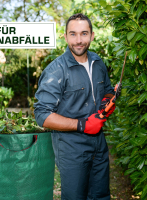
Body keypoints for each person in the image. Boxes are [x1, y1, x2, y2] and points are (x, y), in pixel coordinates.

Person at [34, 13, 116, 200]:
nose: (78, 40)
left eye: (84, 33)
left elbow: (108, 91)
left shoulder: (97, 62)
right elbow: (42, 115)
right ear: (65, 37)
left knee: (101, 195)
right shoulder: (56, 70)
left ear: (92, 35)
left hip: (99, 145)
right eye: (73, 34)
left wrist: (108, 101)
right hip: (71, 148)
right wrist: (83, 125)